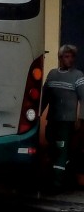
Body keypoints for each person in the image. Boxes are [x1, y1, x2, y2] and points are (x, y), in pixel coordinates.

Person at [41, 44, 84, 190]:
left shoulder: (78, 76)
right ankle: (57, 177)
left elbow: (83, 98)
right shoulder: (52, 74)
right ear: (60, 58)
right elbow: (44, 97)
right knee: (53, 149)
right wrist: (37, 115)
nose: (70, 60)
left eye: (72, 56)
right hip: (52, 120)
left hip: (67, 122)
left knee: (62, 150)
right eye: (67, 56)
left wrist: (80, 119)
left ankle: (57, 184)